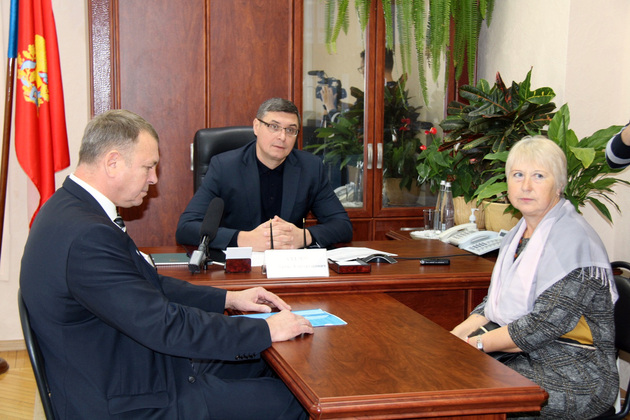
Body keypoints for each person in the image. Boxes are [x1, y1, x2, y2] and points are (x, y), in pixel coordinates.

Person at [19, 109, 314, 419]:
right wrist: (264, 329)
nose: (154, 178)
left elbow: (148, 284)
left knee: (265, 364)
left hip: (130, 365)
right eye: (148, 166)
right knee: (293, 401)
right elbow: (166, 325)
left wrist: (229, 298)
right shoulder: (87, 235)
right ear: (112, 162)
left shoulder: (69, 208)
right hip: (129, 400)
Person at [451, 136, 619, 419]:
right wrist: (453, 339)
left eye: (539, 176)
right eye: (518, 175)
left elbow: (539, 327)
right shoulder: (517, 236)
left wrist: (472, 346)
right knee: (449, 371)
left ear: (559, 185)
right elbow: (493, 303)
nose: (526, 186)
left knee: (465, 386)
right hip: (524, 356)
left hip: (576, 372)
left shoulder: (573, 242)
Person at [176, 97, 353, 252]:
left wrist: (303, 236)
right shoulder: (224, 167)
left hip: (289, 266)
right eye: (274, 127)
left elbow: (342, 226)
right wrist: (245, 239)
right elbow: (186, 228)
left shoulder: (310, 168)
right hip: (238, 267)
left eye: (290, 130)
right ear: (256, 126)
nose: (282, 137)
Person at [320, 49, 396, 124]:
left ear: (370, 67)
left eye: (362, 68)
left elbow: (345, 125)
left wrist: (329, 106)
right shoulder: (398, 93)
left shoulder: (372, 97)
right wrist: (341, 104)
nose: (362, 72)